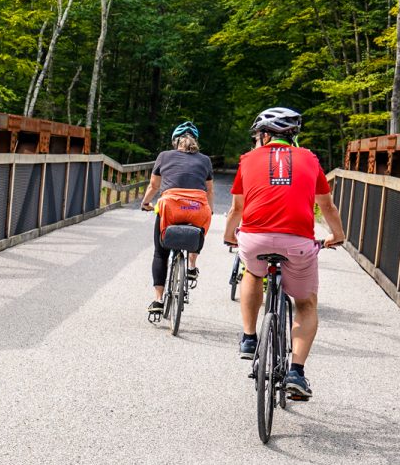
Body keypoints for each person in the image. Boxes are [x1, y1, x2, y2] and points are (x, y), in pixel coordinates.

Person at [222, 107, 347, 400]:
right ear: (293, 136)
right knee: (305, 303)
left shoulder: (247, 160)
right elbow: (327, 207)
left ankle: (250, 339)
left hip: (255, 240)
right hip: (298, 244)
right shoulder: (311, 160)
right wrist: (338, 236)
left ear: (264, 135)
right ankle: (296, 373)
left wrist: (230, 235)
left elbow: (237, 209)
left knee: (252, 271)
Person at [140, 121, 215, 319]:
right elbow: (209, 190)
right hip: (197, 207)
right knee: (199, 229)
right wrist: (211, 210)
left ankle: (158, 300)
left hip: (171, 207)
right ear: (195, 141)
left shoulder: (164, 156)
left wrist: (145, 203)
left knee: (160, 252)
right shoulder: (205, 160)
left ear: (175, 142)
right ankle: (191, 266)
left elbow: (154, 186)